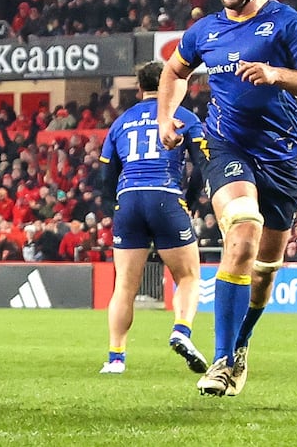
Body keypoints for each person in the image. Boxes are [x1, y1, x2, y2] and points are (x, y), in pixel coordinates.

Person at [157, 0, 297, 397]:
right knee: (242, 228)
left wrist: (278, 73)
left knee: (264, 273)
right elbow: (174, 72)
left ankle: (238, 350)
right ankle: (220, 362)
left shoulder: (285, 23)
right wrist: (165, 118)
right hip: (226, 146)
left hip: (279, 157)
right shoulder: (204, 31)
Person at [98, 60, 208, 376]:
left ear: (138, 87)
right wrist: (189, 202)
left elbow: (106, 174)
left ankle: (116, 358)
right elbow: (200, 164)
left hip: (129, 199)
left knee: (124, 287)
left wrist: (114, 209)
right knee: (187, 276)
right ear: (169, 83)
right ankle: (181, 331)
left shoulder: (121, 122)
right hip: (165, 196)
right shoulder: (184, 118)